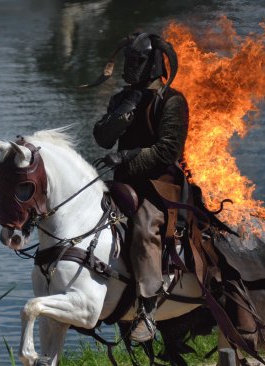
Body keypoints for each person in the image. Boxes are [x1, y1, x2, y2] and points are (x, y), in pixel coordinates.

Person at [85, 32, 189, 342]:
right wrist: (120, 115)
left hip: (160, 187)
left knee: (144, 228)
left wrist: (127, 156)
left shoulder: (172, 100)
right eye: (128, 61)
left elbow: (168, 150)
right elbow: (102, 138)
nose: (130, 68)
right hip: (123, 184)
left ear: (154, 64)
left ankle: (147, 308)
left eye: (138, 62)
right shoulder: (121, 97)